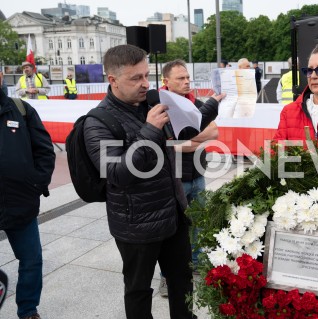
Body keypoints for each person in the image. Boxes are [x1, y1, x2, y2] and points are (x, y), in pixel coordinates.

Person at [83, 44, 218, 319]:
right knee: (138, 290)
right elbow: (117, 173)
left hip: (172, 214)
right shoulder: (99, 121)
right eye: (136, 78)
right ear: (113, 80)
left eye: (146, 75)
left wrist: (213, 105)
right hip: (136, 224)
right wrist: (150, 131)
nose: (145, 84)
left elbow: (190, 125)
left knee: (182, 282)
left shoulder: (153, 101)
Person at [158, 59, 225, 297]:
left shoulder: (194, 102)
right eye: (180, 78)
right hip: (175, 178)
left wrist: (191, 141)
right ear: (166, 81)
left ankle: (196, 265)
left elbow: (214, 132)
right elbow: (173, 147)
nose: (186, 82)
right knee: (172, 229)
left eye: (187, 78)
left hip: (198, 174)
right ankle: (166, 277)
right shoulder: (160, 108)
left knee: (197, 223)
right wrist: (198, 139)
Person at [0, 84, 56, 319]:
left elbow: (44, 150)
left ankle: (28, 310)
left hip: (20, 200)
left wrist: (36, 182)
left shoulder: (21, 109)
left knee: (32, 260)